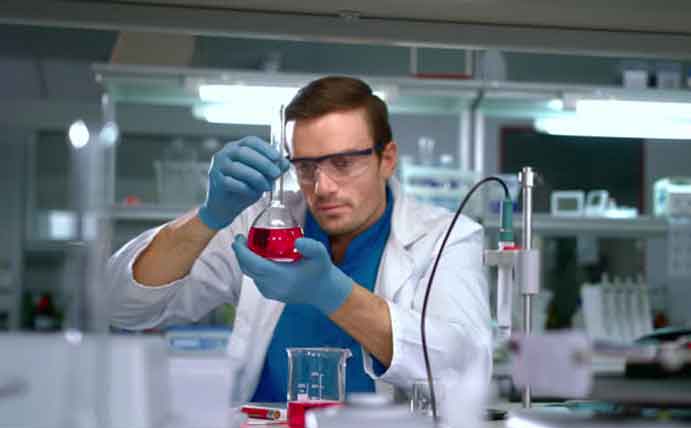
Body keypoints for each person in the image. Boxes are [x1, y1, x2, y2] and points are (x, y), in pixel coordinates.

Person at [107, 76, 491, 402]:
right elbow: (124, 306)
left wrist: (334, 294)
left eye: (343, 163)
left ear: (386, 158)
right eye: (305, 167)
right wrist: (209, 216)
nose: (322, 187)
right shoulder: (263, 224)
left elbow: (467, 368)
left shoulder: (445, 237)